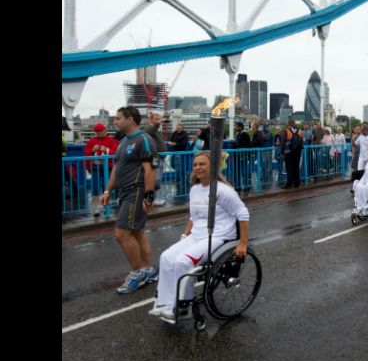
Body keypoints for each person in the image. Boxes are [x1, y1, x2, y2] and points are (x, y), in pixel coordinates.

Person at [148, 151, 249, 323]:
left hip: (218, 236)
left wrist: (243, 244)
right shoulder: (195, 189)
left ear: (213, 167)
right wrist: (184, 235)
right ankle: (164, 304)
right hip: (197, 235)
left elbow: (243, 214)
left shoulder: (223, 191)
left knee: (182, 262)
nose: (197, 168)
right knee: (165, 257)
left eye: (202, 164)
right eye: (195, 165)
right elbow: (193, 217)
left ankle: (182, 307)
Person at [99, 106, 160, 293]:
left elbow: (150, 170)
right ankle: (149, 270)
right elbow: (117, 169)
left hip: (137, 192)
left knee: (122, 234)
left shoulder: (144, 140)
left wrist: (149, 196)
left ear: (130, 120)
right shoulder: (124, 141)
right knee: (137, 232)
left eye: (118, 118)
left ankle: (137, 274)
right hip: (125, 192)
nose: (115, 121)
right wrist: (108, 191)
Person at [85, 123, 119, 217]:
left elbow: (117, 152)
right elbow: (86, 153)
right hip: (95, 167)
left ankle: (105, 208)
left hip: (107, 167)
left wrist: (106, 150)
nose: (99, 134)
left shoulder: (111, 140)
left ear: (105, 131)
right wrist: (92, 150)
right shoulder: (92, 141)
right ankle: (96, 209)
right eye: (97, 132)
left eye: (100, 132)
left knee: (106, 187)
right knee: (95, 187)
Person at [281, 120, 304, 189]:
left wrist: (282, 152)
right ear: (294, 124)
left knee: (289, 168)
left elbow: (283, 141)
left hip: (289, 151)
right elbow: (302, 140)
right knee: (296, 167)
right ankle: (296, 183)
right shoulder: (299, 130)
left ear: (289, 124)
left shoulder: (286, 130)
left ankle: (289, 184)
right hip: (298, 151)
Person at [233, 122, 253, 195]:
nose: (235, 128)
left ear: (241, 127)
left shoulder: (245, 135)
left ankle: (246, 186)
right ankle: (238, 186)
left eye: (236, 126)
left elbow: (248, 145)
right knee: (237, 172)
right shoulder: (237, 135)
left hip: (243, 156)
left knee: (244, 172)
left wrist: (247, 156)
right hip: (237, 156)